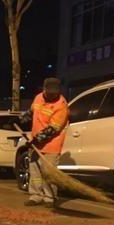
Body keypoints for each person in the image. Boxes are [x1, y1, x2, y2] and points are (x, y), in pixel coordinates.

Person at [18, 77, 69, 208]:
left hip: (52, 144)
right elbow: (32, 112)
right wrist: (21, 119)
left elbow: (52, 129)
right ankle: (36, 195)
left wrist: (35, 140)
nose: (52, 96)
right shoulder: (38, 98)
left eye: (54, 93)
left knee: (48, 173)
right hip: (35, 142)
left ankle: (49, 197)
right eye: (49, 93)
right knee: (34, 171)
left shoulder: (61, 105)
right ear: (44, 89)